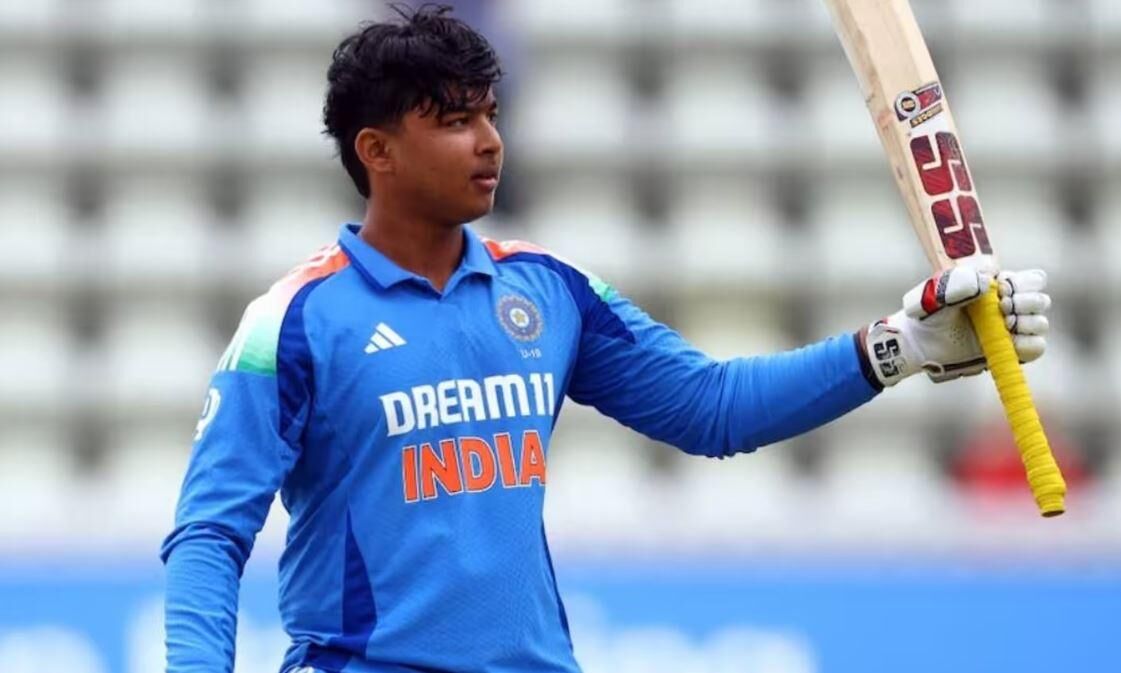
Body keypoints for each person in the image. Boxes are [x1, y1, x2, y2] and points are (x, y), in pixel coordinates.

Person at [160, 5, 1052, 673]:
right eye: (455, 121)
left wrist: (897, 346)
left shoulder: (546, 289)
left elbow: (712, 408)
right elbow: (209, 532)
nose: (490, 143)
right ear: (377, 151)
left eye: (491, 114)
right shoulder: (293, 321)